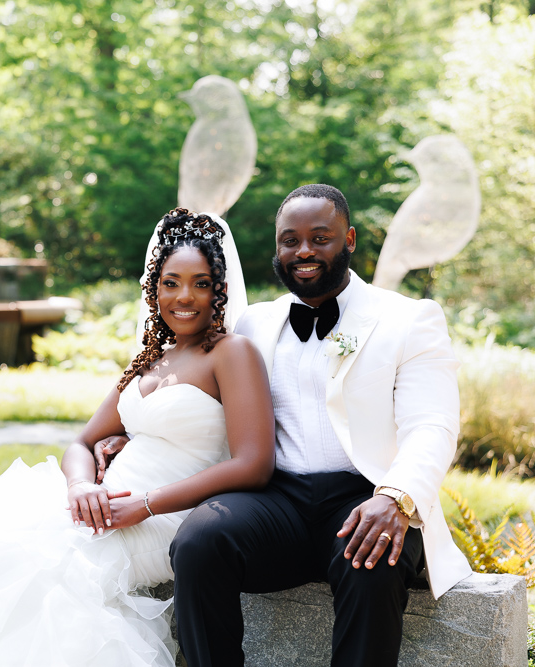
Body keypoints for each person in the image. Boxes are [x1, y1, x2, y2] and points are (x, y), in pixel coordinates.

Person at [0, 208, 275, 667]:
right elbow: (80, 443)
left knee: (43, 572)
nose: (184, 297)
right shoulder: (151, 360)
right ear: (153, 288)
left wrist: (145, 504)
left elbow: (253, 464)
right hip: (102, 502)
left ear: (219, 289)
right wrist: (82, 486)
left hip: (165, 517)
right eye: (170, 282)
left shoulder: (231, 353)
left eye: (200, 283)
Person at [160, 184, 474, 667]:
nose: (303, 251)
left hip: (366, 497)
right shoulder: (253, 324)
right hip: (275, 502)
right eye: (290, 240)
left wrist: (395, 499)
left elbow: (432, 425)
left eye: (319, 237)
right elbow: (197, 390)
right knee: (201, 542)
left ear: (348, 239)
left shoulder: (408, 319)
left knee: (373, 564)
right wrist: (133, 434)